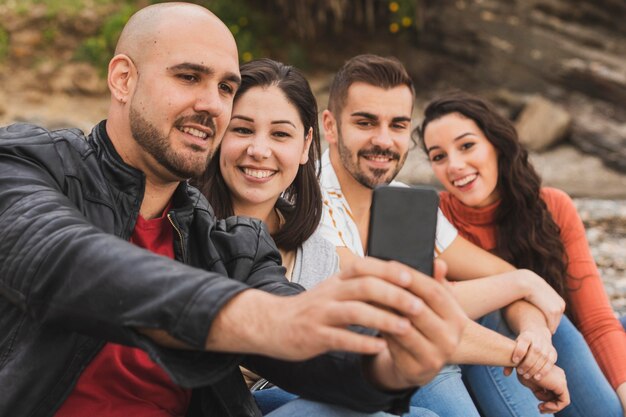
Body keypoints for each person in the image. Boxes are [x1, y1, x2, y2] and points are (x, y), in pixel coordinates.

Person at [0, 4, 471, 416]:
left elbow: (300, 335)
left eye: (226, 88)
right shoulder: (30, 163)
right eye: (188, 77)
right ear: (123, 79)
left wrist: (389, 365)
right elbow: (58, 259)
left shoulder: (225, 240)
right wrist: (266, 320)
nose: (212, 105)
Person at [318, 54, 570, 416]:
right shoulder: (308, 197)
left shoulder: (405, 200)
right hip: (346, 368)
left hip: (419, 353)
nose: (383, 140)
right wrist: (527, 351)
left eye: (398, 125)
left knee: (499, 313)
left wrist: (537, 334)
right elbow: (395, 315)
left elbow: (501, 276)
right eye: (365, 122)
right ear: (330, 125)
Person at [195, 57, 440, 417]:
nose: (259, 150)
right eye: (243, 130)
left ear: (306, 142)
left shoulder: (316, 249)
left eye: (280, 134)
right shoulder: (186, 225)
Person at [417, 90, 625, 416]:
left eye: (467, 145)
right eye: (439, 156)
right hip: (486, 357)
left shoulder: (552, 206)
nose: (455, 165)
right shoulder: (433, 219)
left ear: (497, 145)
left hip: (556, 339)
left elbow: (596, 320)